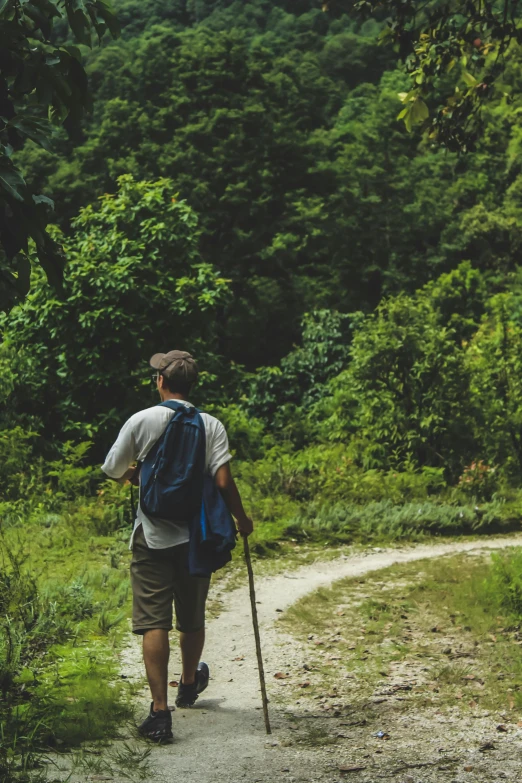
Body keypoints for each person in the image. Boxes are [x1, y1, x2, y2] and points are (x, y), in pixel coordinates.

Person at [101, 350, 253, 742]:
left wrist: (135, 478)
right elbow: (222, 482)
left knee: (154, 621)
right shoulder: (211, 424)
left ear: (161, 382)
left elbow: (112, 469)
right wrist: (241, 518)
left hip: (151, 535)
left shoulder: (143, 419)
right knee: (192, 614)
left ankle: (159, 712)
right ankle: (188, 684)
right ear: (192, 385)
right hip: (195, 538)